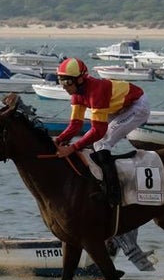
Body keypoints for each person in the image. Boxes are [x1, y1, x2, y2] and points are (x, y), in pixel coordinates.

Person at [53, 57, 150, 204]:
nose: (64, 87)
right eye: (60, 81)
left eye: (67, 82)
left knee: (102, 143)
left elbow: (98, 131)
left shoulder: (95, 92)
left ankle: (113, 193)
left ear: (79, 80)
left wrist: (72, 148)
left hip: (137, 105)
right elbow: (75, 125)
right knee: (92, 142)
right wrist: (58, 140)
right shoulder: (77, 94)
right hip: (116, 107)